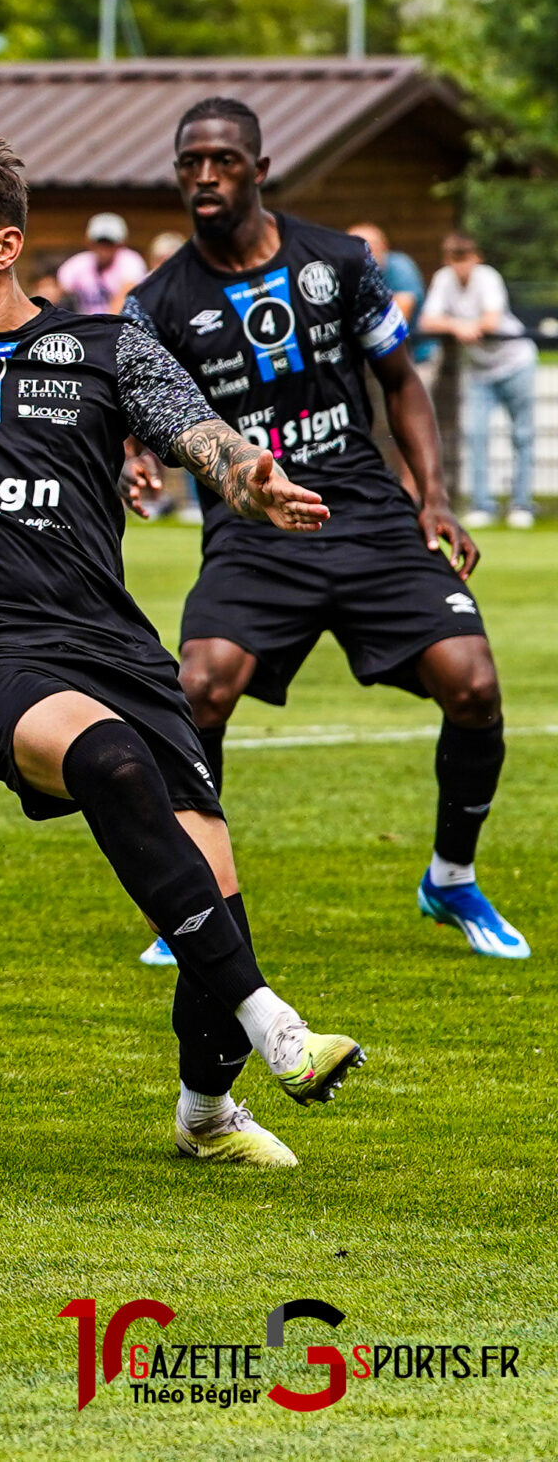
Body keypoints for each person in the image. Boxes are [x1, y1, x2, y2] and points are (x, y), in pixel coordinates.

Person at [0, 134, 363, 1167]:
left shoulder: (104, 348)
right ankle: (274, 1021)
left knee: (210, 891)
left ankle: (204, 1114)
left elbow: (205, 437)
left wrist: (252, 479)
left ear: (6, 245)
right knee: (106, 760)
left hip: (111, 644)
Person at [120, 97, 525, 961]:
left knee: (474, 684)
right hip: (255, 526)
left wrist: (434, 495)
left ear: (260, 171)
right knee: (199, 687)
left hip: (366, 510)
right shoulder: (155, 301)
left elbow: (402, 382)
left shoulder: (339, 261)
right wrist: (132, 454)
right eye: (189, 161)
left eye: (223, 161)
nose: (203, 176)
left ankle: (451, 878)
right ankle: (196, 901)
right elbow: (133, 402)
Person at [420, 233, 535, 530]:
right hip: (480, 369)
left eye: (464, 259)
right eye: (454, 260)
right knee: (476, 435)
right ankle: (482, 503)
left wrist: (468, 326)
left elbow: (492, 320)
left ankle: (522, 504)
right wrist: (458, 325)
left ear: (476, 257)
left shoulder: (488, 278)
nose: (460, 267)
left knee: (522, 435)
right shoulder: (443, 279)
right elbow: (427, 321)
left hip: (515, 362)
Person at [57, 213, 148, 316]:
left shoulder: (131, 261)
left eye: (109, 243)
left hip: (119, 325)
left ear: (120, 244)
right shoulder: (78, 264)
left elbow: (124, 298)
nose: (103, 249)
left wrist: (99, 327)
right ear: (89, 243)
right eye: (99, 242)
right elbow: (56, 293)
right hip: (85, 325)